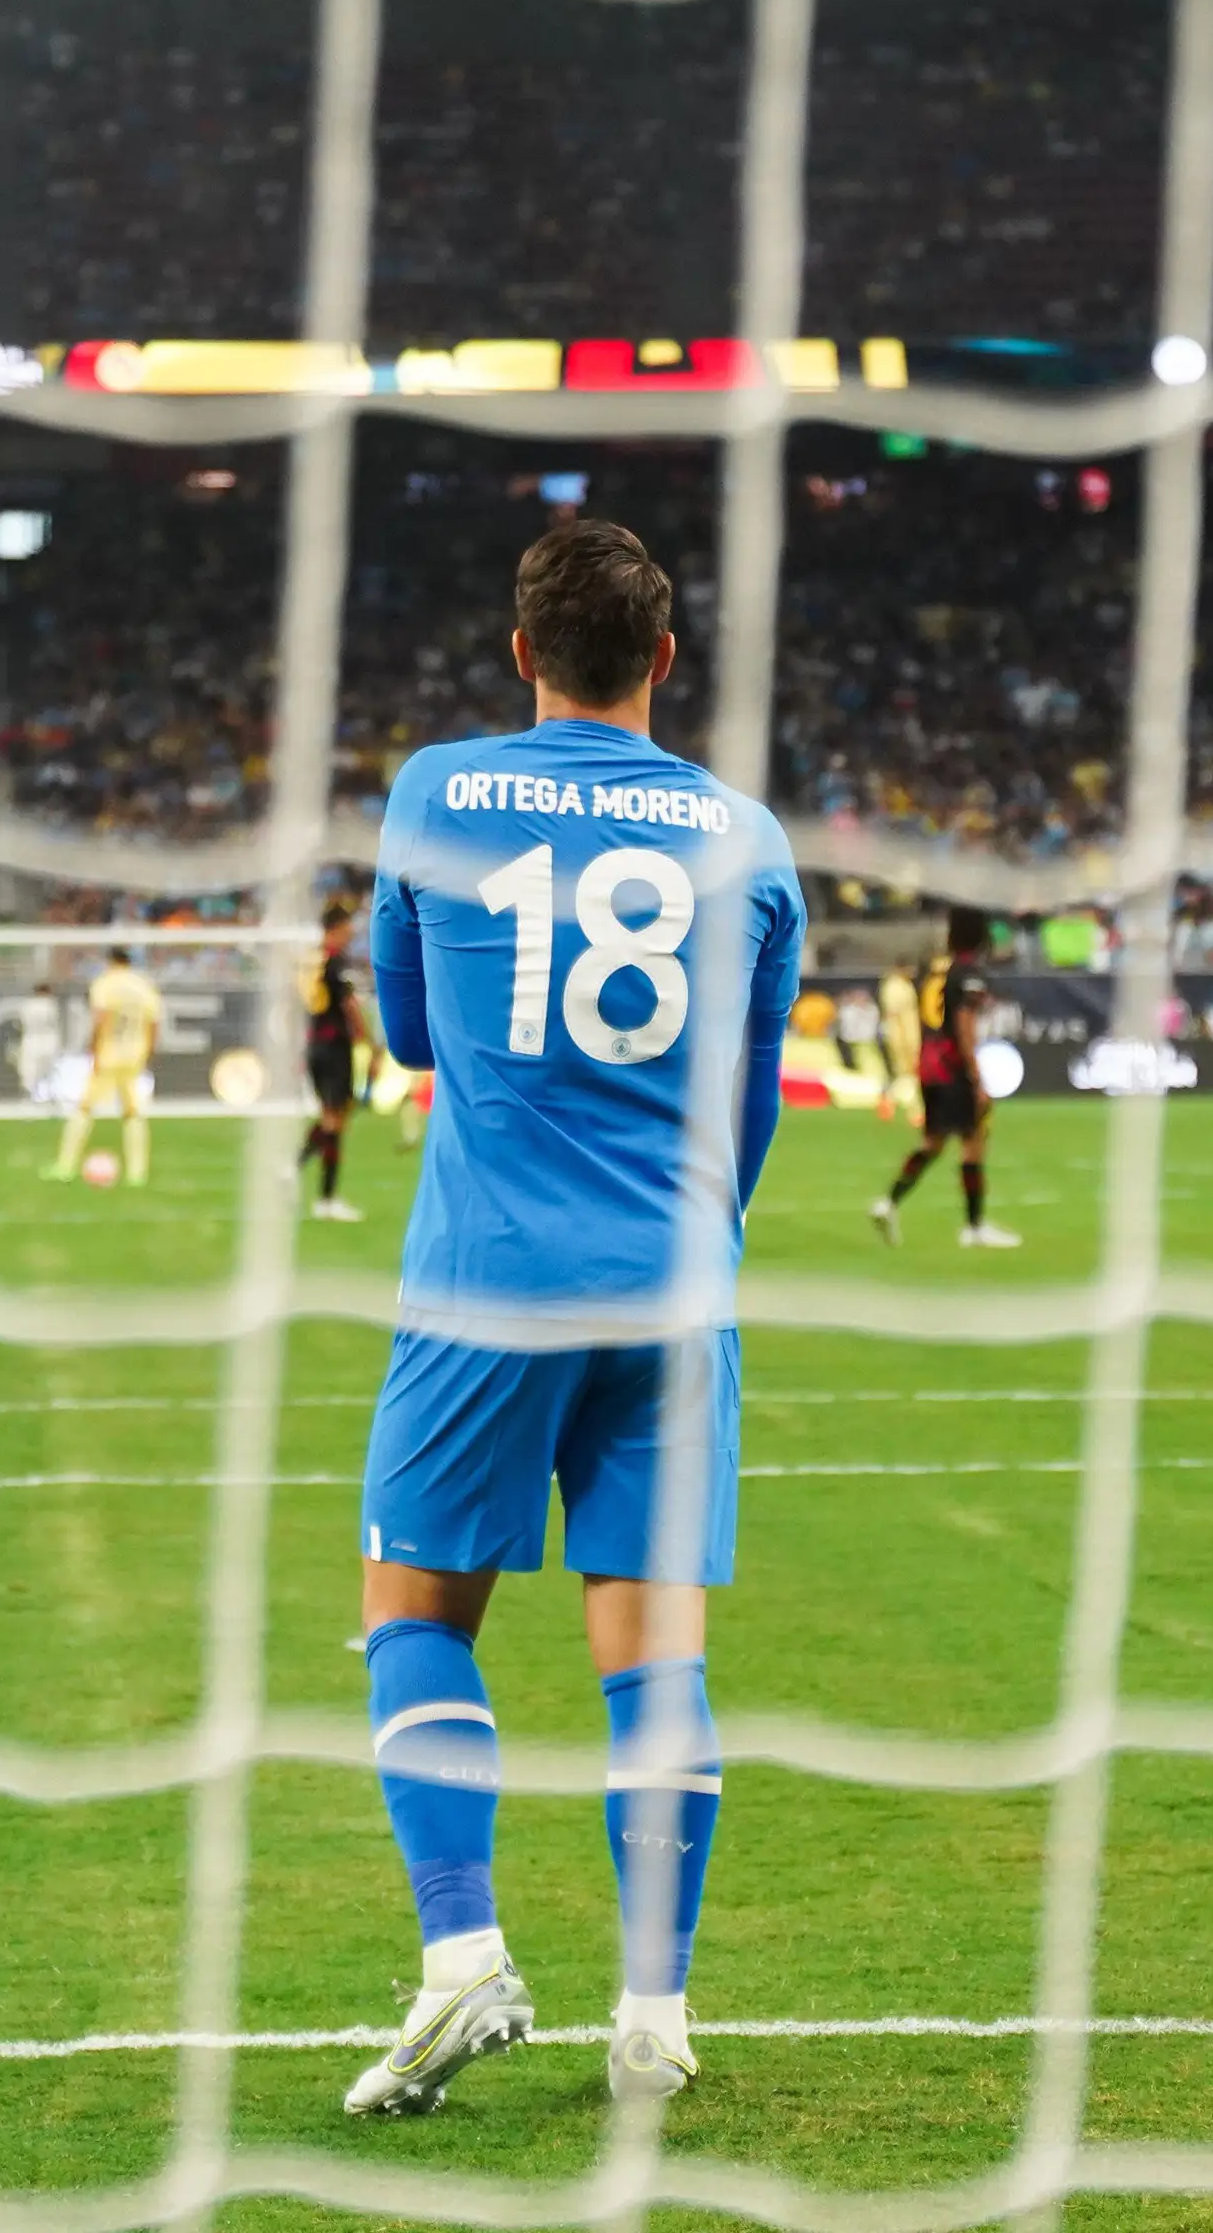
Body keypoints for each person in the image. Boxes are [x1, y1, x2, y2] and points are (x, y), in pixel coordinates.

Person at [344, 518, 805, 2118]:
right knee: (653, 1651)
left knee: (413, 1614)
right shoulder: (747, 837)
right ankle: (654, 2014)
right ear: (667, 662)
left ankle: (464, 1963)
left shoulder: (434, 792)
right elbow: (748, 1109)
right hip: (675, 1285)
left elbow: (407, 1030)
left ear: (518, 650)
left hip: (485, 1279)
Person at [870, 906, 1015, 1248]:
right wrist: (976, 1077)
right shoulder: (970, 974)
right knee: (973, 1141)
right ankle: (974, 1227)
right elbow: (964, 1026)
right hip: (953, 1068)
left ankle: (888, 1203)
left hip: (931, 1067)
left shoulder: (938, 971)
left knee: (933, 1143)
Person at [48, 942, 163, 1188]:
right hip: (134, 1055)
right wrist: (149, 1051)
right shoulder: (144, 986)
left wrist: (94, 1049)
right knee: (133, 1112)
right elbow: (154, 1023)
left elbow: (102, 1018)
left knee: (84, 1108)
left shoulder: (105, 984)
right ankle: (137, 1173)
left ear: (111, 962)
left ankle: (65, 1166)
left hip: (109, 1053)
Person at [300, 902, 368, 1222]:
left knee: (332, 1116)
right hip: (335, 1046)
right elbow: (349, 1005)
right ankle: (325, 1198)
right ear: (337, 927)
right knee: (335, 1119)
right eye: (348, 925)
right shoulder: (334, 960)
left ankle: (293, 1168)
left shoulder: (312, 960)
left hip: (315, 1044)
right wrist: (368, 1040)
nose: (352, 931)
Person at [873, 960, 921, 1124]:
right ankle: (907, 1107)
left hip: (906, 1036)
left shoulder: (902, 985)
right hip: (900, 1037)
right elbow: (893, 1014)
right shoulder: (894, 986)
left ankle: (891, 1101)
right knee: (905, 1073)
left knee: (904, 1074)